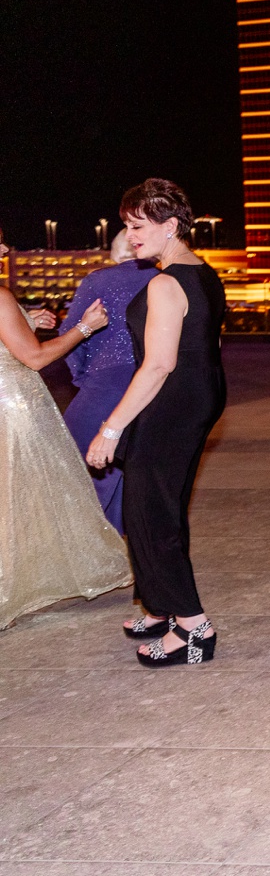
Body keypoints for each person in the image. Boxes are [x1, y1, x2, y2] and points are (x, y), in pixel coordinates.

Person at [83, 178, 226, 665]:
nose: (130, 235)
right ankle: (161, 605)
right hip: (196, 396)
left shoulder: (166, 283)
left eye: (139, 226)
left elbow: (160, 363)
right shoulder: (202, 272)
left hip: (171, 401)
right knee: (162, 503)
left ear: (170, 226)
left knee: (151, 511)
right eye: (127, 225)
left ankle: (193, 630)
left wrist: (111, 427)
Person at [0, 275, 128, 630]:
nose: (5, 247)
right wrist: (85, 328)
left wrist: (24, 320)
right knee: (25, 499)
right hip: (13, 410)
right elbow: (35, 357)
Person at [61, 231, 156, 531]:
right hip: (154, 390)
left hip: (104, 390)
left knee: (78, 481)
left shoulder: (98, 281)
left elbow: (71, 338)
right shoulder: (168, 280)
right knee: (128, 482)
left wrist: (86, 379)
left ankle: (82, 559)